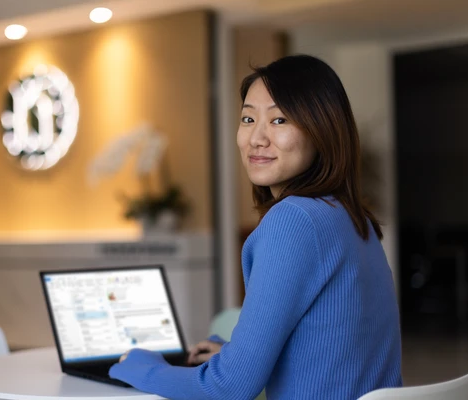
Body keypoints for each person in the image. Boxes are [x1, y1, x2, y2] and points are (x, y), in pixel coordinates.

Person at [109, 54, 402, 399]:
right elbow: (332, 354)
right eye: (248, 118)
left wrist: (141, 367)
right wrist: (237, 358)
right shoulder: (353, 218)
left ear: (322, 130)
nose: (256, 138)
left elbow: (227, 389)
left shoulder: (294, 220)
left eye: (279, 120)